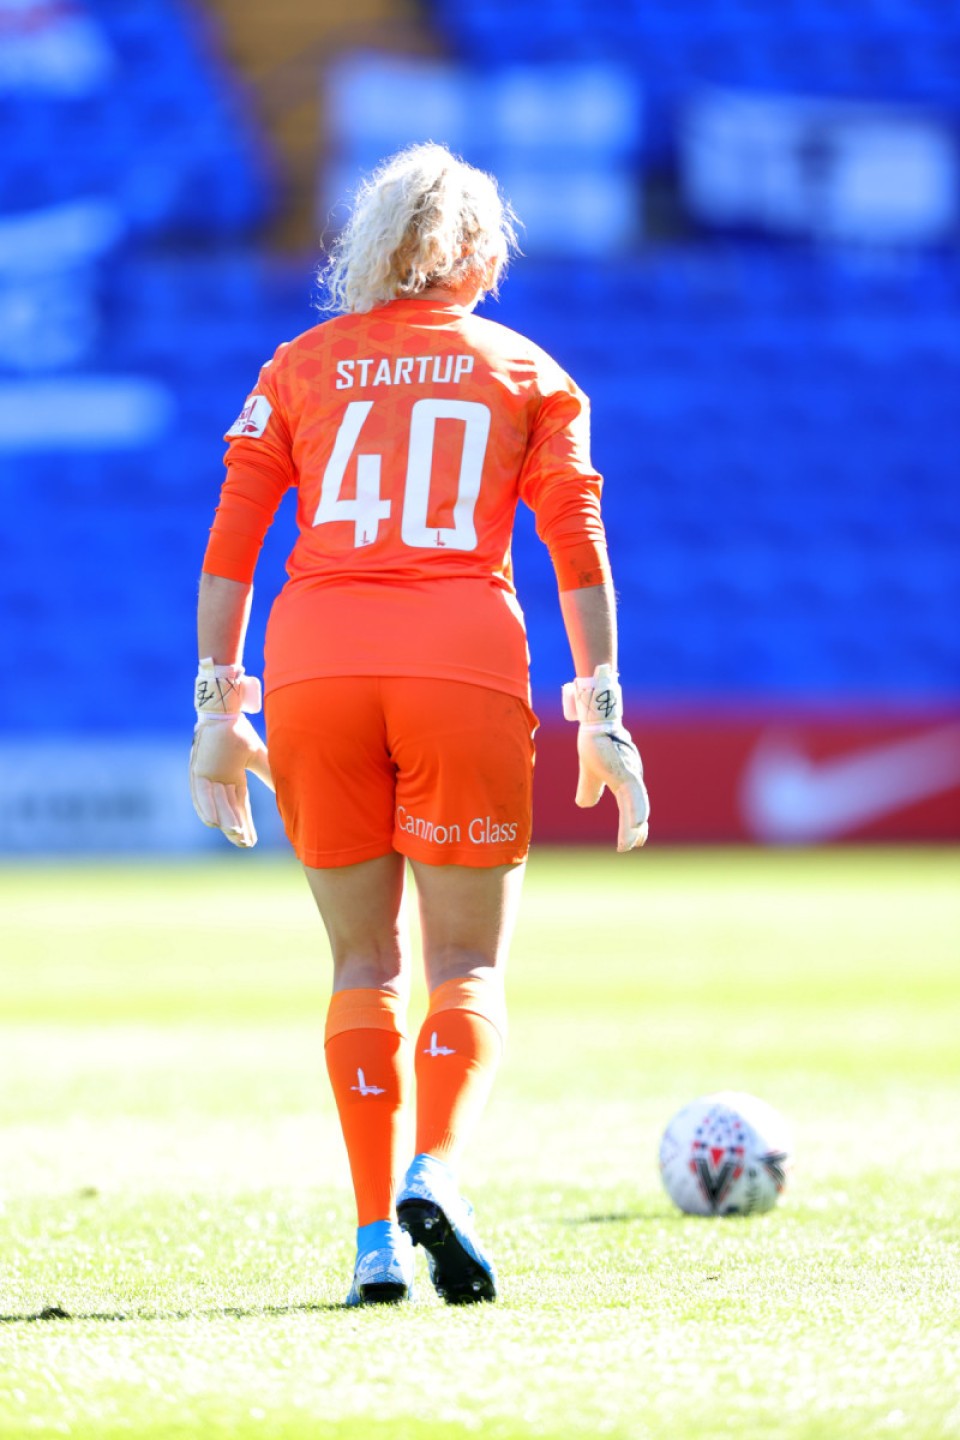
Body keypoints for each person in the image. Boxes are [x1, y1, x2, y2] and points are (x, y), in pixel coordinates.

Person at [189, 143, 650, 1307]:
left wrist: (217, 706)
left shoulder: (297, 365)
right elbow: (577, 544)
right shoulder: (529, 371)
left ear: (368, 246)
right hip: (462, 657)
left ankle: (370, 1245)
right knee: (466, 964)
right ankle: (433, 1170)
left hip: (315, 660)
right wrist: (601, 709)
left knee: (361, 962)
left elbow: (233, 540)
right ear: (482, 251)